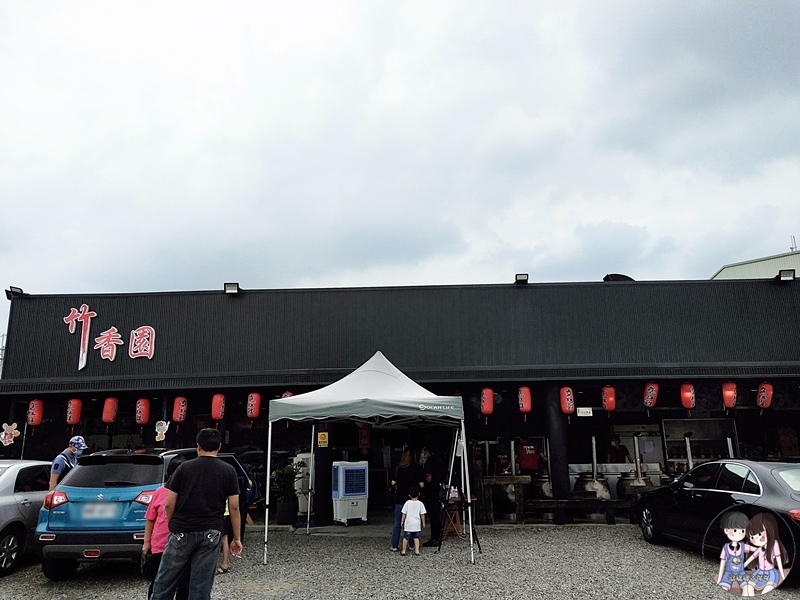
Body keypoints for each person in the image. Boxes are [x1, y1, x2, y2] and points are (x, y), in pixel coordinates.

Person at [150, 428, 242, 600]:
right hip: (211, 531)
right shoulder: (228, 470)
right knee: (200, 586)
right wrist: (236, 538)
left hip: (182, 529)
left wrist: (172, 524)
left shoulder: (184, 468)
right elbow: (234, 507)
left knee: (165, 581)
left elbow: (169, 503)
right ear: (219, 446)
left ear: (198, 446)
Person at [142, 456, 189, 600]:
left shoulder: (190, 492)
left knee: (184, 584)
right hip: (160, 545)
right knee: (158, 582)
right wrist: (146, 542)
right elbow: (150, 519)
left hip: (184, 545)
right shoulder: (160, 492)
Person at [742, 512, 788, 595]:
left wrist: (783, 575)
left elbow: (779, 561)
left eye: (760, 534)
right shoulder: (760, 549)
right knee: (749, 586)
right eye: (752, 537)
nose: (757, 538)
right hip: (759, 573)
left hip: (771, 574)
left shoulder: (774, 545)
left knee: (766, 590)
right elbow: (751, 558)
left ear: (770, 530)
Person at [389, 448, 424, 552]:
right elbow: (421, 484)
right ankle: (412, 545)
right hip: (412, 499)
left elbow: (393, 483)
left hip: (400, 498)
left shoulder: (399, 468)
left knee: (397, 522)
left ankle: (394, 545)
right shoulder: (417, 468)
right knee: (412, 521)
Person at [716, 511, 751, 593]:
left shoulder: (743, 546)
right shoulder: (726, 548)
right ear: (726, 530)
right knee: (724, 587)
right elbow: (722, 563)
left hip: (741, 573)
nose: (739, 533)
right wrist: (719, 578)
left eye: (742, 531)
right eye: (735, 530)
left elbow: (756, 550)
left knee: (746, 588)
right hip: (728, 573)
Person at [420, 446, 445, 547]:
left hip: (431, 491)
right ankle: (438, 535)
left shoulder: (429, 462)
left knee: (433, 515)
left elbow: (429, 477)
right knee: (437, 514)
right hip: (437, 490)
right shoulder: (439, 461)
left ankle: (434, 538)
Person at [400, 487, 427, 556]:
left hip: (408, 523)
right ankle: (417, 550)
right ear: (419, 494)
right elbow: (422, 514)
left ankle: (403, 550)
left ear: (409, 495)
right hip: (416, 524)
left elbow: (404, 513)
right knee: (416, 538)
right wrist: (423, 522)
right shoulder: (420, 503)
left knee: (406, 538)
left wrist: (402, 521)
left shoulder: (407, 503)